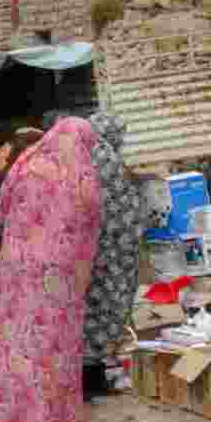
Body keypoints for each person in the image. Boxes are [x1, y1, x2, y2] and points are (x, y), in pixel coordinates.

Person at [0, 117, 102, 422]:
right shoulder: (84, 176)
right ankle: (53, 412)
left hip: (17, 266)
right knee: (53, 338)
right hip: (59, 272)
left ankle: (11, 413)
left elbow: (2, 210)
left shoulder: (27, 163)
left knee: (16, 336)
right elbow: (91, 226)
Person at [83, 112, 143, 397]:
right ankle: (94, 378)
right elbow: (121, 209)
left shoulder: (84, 156)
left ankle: (92, 376)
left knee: (90, 313)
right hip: (113, 253)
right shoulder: (107, 159)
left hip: (92, 251)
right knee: (107, 312)